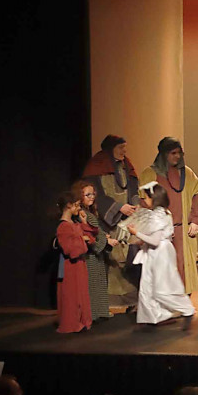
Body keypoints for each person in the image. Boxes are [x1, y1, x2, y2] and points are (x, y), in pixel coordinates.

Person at [139, 137, 198, 295]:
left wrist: (196, 220)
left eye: (179, 153)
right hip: (161, 232)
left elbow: (196, 194)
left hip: (182, 230)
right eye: (173, 153)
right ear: (164, 154)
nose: (177, 156)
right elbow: (144, 203)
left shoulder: (187, 173)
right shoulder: (150, 174)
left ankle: (182, 299)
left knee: (182, 266)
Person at [82, 134, 141, 307]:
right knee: (112, 258)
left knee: (126, 256)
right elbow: (95, 195)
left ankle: (130, 297)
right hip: (107, 220)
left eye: (125, 147)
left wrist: (135, 205)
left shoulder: (126, 165)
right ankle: (110, 299)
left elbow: (133, 188)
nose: (124, 151)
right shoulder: (96, 166)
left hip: (126, 220)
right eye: (121, 147)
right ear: (110, 148)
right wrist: (118, 207)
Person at [127, 183, 196, 326]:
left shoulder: (157, 215)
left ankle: (186, 309)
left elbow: (155, 240)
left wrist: (136, 233)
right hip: (156, 252)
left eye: (147, 197)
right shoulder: (164, 212)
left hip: (160, 253)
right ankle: (154, 316)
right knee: (148, 286)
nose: (145, 200)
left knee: (161, 287)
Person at [72, 180, 117, 321]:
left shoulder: (88, 213)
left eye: (93, 194)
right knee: (92, 285)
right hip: (90, 255)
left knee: (97, 284)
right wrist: (106, 240)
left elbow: (95, 231)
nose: (91, 197)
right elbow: (89, 234)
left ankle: (97, 312)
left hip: (94, 255)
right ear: (80, 196)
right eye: (88, 195)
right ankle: (93, 313)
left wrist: (103, 236)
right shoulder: (82, 214)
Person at [55, 191, 93, 333]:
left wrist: (84, 223)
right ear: (69, 206)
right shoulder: (63, 226)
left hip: (79, 264)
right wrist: (82, 240)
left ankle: (82, 321)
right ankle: (72, 323)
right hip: (70, 265)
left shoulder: (75, 223)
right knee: (72, 295)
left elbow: (90, 237)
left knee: (81, 292)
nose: (79, 208)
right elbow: (69, 249)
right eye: (76, 205)